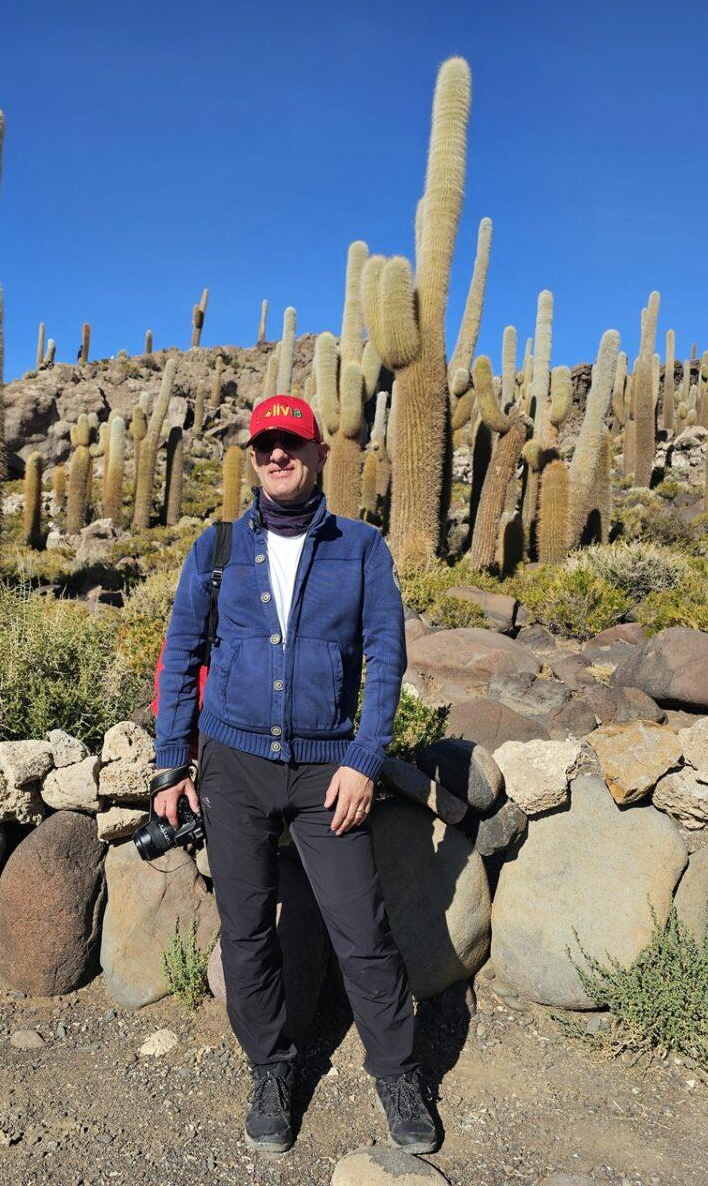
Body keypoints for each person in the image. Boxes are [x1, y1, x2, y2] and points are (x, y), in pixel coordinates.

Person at [153, 393, 438, 1156]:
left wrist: (364, 760)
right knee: (246, 933)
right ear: (252, 459)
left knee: (362, 930)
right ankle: (271, 1071)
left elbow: (386, 659)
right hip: (233, 766)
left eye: (292, 444)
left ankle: (398, 1075)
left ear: (320, 455)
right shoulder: (216, 547)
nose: (277, 455)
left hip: (325, 772)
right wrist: (169, 763)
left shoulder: (362, 549)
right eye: (264, 446)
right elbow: (181, 653)